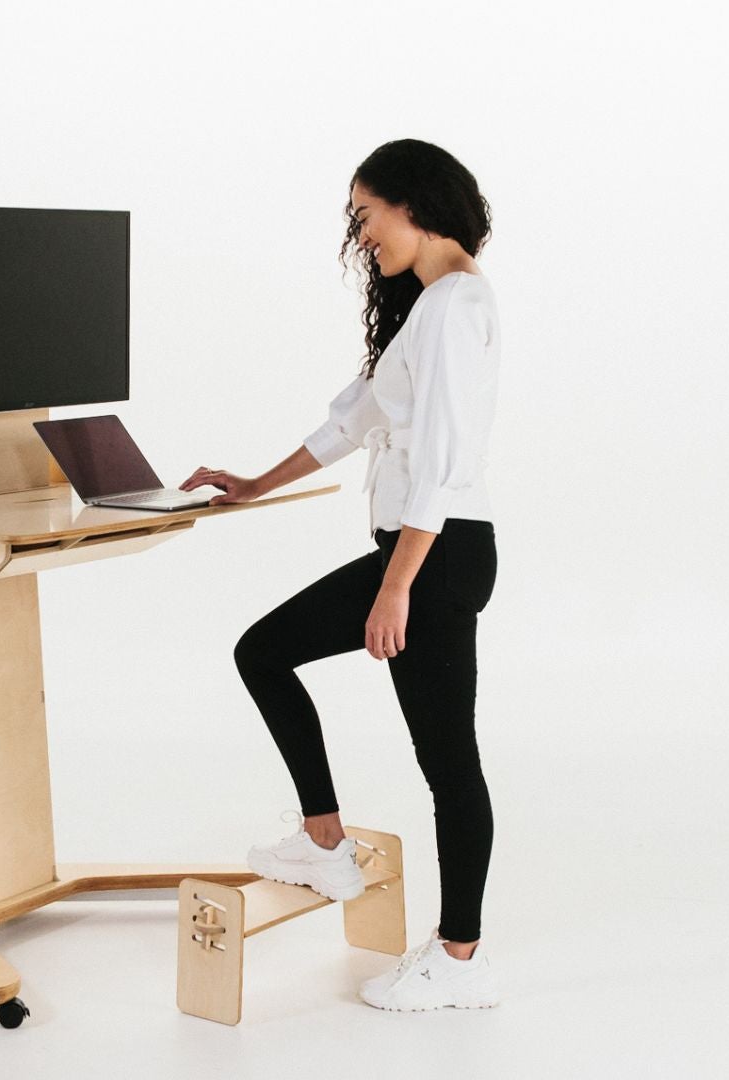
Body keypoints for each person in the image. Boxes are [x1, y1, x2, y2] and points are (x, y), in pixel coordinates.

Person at [180, 139, 503, 1012]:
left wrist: (396, 587)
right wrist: (256, 482)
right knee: (264, 651)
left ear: (413, 202)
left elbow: (443, 463)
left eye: (366, 215)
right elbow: (353, 422)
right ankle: (325, 844)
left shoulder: (456, 306)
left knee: (448, 764)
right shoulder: (428, 307)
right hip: (425, 553)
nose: (362, 236)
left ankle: (461, 961)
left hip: (435, 556)